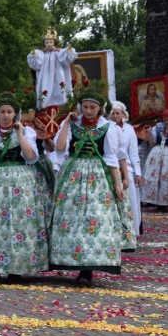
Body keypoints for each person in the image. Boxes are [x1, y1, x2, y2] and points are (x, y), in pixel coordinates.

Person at [50, 90, 135, 286]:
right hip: (73, 173)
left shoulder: (108, 127)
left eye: (93, 108)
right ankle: (72, 261)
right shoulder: (74, 124)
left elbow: (111, 158)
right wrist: (66, 123)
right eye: (85, 107)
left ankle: (87, 270)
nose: (88, 111)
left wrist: (118, 183)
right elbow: (61, 148)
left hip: (97, 176)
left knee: (94, 218)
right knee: (72, 218)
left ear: (100, 109)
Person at [0, 93, 50, 280]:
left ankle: (18, 267)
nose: (6, 115)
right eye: (2, 112)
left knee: (20, 223)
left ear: (15, 114)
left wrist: (20, 133)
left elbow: (31, 156)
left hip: (22, 182)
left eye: (9, 112)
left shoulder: (27, 132)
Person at [110, 101, 143, 237]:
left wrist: (138, 173)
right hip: (112, 166)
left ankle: (132, 230)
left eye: (118, 113)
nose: (115, 116)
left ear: (123, 114)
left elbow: (133, 152)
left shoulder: (129, 129)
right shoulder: (107, 127)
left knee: (130, 200)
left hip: (127, 167)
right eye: (112, 113)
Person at [27, 26, 77, 110]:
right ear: (44, 43)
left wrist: (67, 51)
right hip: (45, 76)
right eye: (47, 42)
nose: (49, 44)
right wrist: (34, 55)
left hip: (58, 76)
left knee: (60, 85)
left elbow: (67, 58)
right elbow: (35, 64)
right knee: (45, 86)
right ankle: (44, 105)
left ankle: (63, 103)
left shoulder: (59, 53)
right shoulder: (42, 54)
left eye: (50, 42)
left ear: (54, 42)